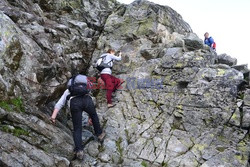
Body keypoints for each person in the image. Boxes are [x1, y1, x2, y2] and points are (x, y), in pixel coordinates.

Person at [50, 74, 105, 160]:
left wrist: (53, 117)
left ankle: (79, 151)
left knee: (77, 128)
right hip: (87, 100)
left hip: (75, 103)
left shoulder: (69, 90)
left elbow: (59, 104)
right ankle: (100, 134)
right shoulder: (85, 87)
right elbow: (90, 95)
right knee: (94, 116)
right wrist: (90, 117)